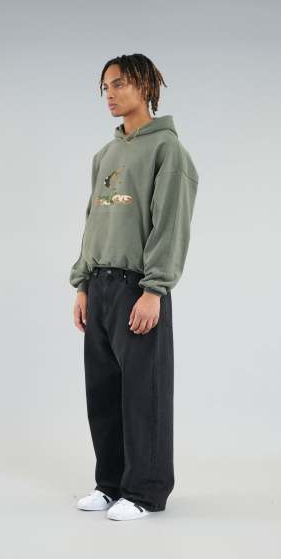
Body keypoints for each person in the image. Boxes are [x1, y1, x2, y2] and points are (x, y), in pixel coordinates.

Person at [69, 53, 199, 521]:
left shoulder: (168, 152)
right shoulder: (104, 156)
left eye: (120, 83)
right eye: (105, 86)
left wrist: (154, 289)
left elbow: (170, 225)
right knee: (103, 390)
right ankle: (110, 484)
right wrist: (82, 284)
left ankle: (145, 490)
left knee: (144, 390)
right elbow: (93, 222)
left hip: (137, 286)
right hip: (100, 283)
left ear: (146, 86)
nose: (110, 93)